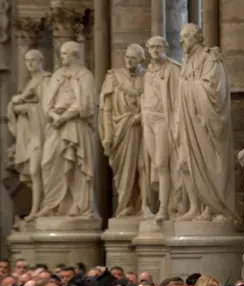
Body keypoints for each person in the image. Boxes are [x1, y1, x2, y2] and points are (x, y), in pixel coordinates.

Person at [176, 23, 239, 223]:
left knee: (210, 162)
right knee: (187, 162)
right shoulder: (186, 62)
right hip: (189, 120)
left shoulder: (209, 58)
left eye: (185, 36)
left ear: (197, 37)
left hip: (205, 122)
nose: (181, 41)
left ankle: (217, 208)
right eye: (181, 37)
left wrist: (188, 88)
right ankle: (197, 206)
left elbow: (214, 90)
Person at [38, 41, 97, 218]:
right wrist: (54, 116)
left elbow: (85, 104)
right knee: (48, 162)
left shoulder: (85, 75)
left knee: (75, 165)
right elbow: (46, 102)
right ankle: (52, 203)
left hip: (76, 125)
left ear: (75, 55)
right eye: (61, 53)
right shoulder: (57, 75)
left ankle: (78, 204)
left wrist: (64, 116)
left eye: (66, 53)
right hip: (56, 126)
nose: (62, 56)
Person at [99, 43, 147, 217]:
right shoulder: (114, 77)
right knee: (123, 170)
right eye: (127, 57)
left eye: (133, 58)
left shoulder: (148, 77)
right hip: (120, 130)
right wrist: (108, 135)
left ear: (141, 59)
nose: (129, 61)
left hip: (141, 129)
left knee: (143, 166)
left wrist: (142, 116)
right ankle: (125, 203)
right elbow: (107, 108)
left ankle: (144, 205)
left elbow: (155, 102)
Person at [6, 49, 50, 221]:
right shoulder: (29, 83)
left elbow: (46, 109)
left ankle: (42, 207)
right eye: (27, 61)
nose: (30, 64)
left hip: (41, 133)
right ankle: (38, 207)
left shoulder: (44, 80)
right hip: (30, 134)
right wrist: (15, 106)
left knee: (37, 170)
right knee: (33, 173)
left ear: (41, 61)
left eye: (33, 60)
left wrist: (25, 107)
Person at [142, 36, 182, 221]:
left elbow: (177, 100)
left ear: (165, 47)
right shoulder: (148, 71)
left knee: (161, 163)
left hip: (163, 120)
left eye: (159, 46)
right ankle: (163, 203)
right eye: (152, 47)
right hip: (148, 120)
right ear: (148, 49)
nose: (155, 50)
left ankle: (164, 208)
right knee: (155, 166)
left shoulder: (173, 69)